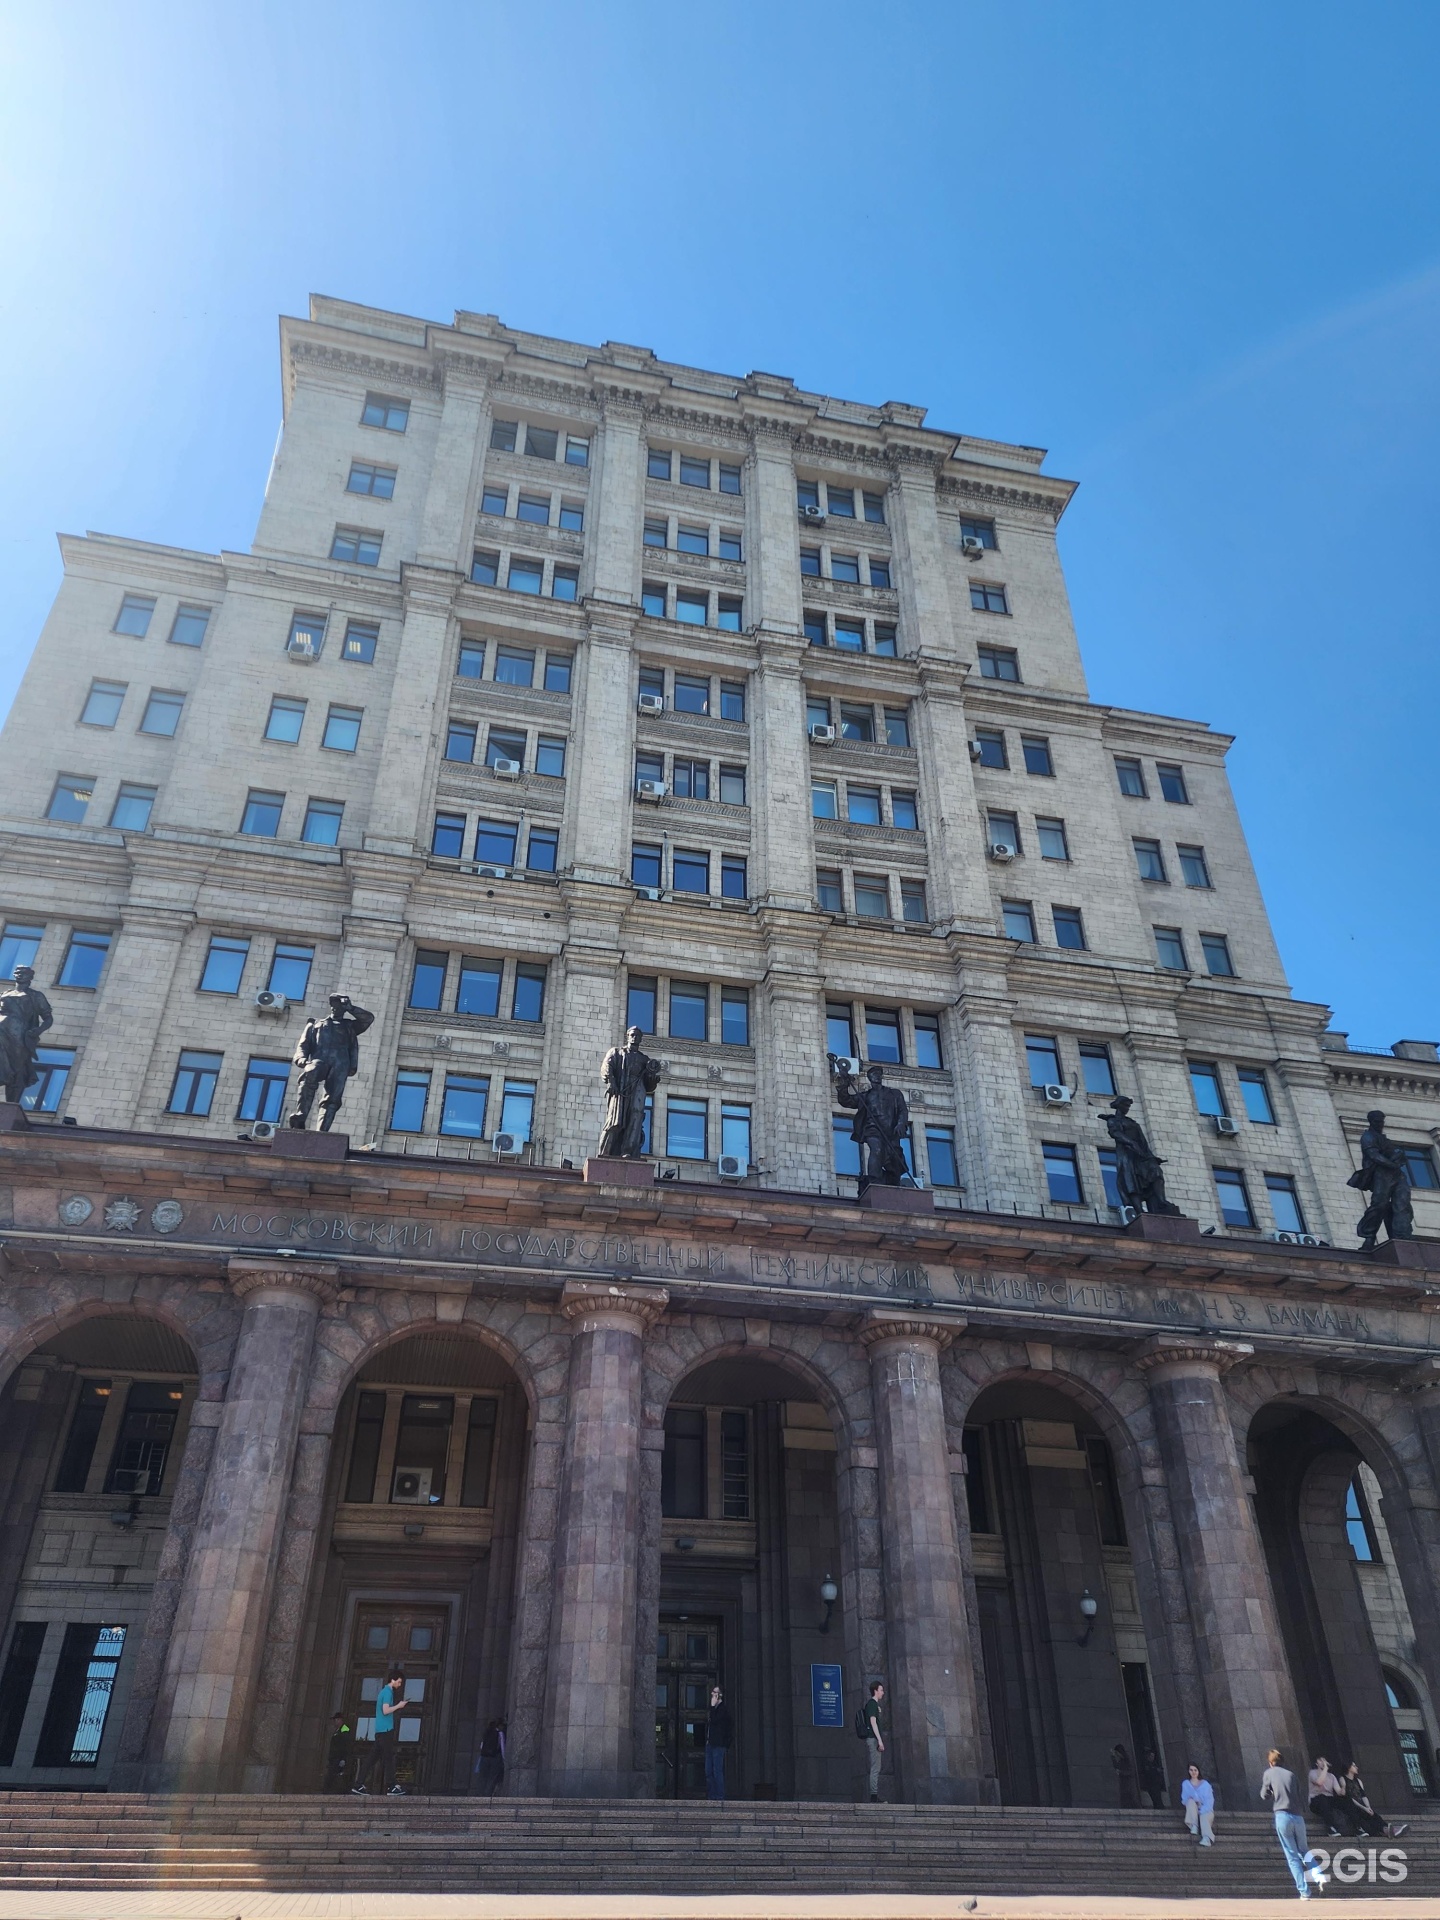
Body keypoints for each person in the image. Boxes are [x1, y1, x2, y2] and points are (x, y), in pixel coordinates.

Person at [288, 993, 374, 1132]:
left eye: (339, 1006)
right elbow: (303, 1045)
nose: (335, 1008)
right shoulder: (315, 1024)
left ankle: (322, 1131)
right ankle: (301, 1115)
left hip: (341, 1063)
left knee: (333, 1098)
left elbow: (368, 1019)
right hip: (319, 1059)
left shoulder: (350, 1026)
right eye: (334, 1005)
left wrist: (351, 1008)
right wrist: (301, 1059)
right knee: (309, 1075)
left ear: (344, 1009)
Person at [833, 1062, 911, 1191]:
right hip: (873, 1129)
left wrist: (901, 1124)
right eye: (874, 1074)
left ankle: (892, 1181)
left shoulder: (894, 1094)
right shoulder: (866, 1096)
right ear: (870, 1078)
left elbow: (903, 1110)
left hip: (891, 1131)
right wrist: (844, 1082)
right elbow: (846, 1101)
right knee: (877, 1150)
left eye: (879, 1074)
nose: (877, 1076)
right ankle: (874, 1180)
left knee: (894, 1159)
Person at [1349, 1111, 1415, 1248]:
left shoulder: (1384, 1139)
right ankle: (1369, 1237)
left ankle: (1402, 1236)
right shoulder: (1367, 1137)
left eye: (1382, 1121)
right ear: (1371, 1121)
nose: (1380, 1124)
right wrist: (1392, 1164)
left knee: (1402, 1203)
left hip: (1397, 1175)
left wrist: (1398, 1156)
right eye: (1377, 1121)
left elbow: (1392, 1154)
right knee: (1379, 1206)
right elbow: (1374, 1156)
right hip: (1380, 1174)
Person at [597, 1026, 662, 1158]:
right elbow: (607, 1066)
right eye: (632, 1035)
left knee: (635, 1120)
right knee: (614, 1121)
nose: (634, 1038)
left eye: (637, 1036)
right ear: (627, 1036)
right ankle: (605, 1152)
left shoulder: (644, 1060)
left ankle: (627, 1151)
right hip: (620, 1090)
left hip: (637, 1091)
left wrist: (653, 1080)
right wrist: (611, 1081)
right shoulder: (616, 1052)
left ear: (641, 1039)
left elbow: (648, 1085)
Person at [1261, 1747, 1317, 1899]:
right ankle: (1318, 1875)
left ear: (1270, 1762)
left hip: (1282, 1816)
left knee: (1292, 1856)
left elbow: (1264, 1795)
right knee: (1304, 1850)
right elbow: (1299, 1794)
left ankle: (1304, 1891)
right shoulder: (1291, 1774)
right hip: (1298, 1817)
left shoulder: (1269, 1773)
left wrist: (1271, 1792)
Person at [0, 965, 53, 1105]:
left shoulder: (36, 996)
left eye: (24, 973)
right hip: (1, 1034)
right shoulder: (4, 994)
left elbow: (48, 1019)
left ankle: (11, 1106)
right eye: (17, 972)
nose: (20, 974)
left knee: (17, 1070)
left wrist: (38, 1030)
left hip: (19, 1037)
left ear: (30, 977)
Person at [355, 1667, 407, 1795]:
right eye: (399, 1682)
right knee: (388, 1759)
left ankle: (358, 1784)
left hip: (380, 1731)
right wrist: (399, 1706)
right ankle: (392, 1786)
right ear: (393, 1680)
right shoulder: (388, 1692)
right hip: (385, 1730)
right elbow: (385, 1710)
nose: (400, 1685)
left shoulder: (384, 1692)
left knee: (371, 1759)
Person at [1340, 1760, 1407, 1839]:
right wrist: (1364, 1808)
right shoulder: (1342, 1779)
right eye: (1354, 1766)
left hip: (1362, 1805)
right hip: (1353, 1807)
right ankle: (1387, 1831)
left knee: (1374, 1816)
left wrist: (1368, 1807)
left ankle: (1388, 1830)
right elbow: (1349, 1798)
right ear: (1349, 1768)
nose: (1356, 1767)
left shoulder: (1358, 1781)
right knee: (1364, 1818)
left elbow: (1363, 1795)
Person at [1308, 1754, 1361, 1835]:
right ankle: (1330, 1827)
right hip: (1316, 1800)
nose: (1323, 1762)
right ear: (1316, 1763)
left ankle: (1357, 1827)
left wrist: (1343, 1786)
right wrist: (1325, 1768)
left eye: (1324, 1760)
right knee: (1322, 1799)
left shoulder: (1331, 1776)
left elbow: (1339, 1792)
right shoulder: (1312, 1773)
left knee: (1347, 1800)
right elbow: (1319, 1782)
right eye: (1320, 1760)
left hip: (1329, 1799)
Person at [704, 1686, 733, 1801]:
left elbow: (715, 1720)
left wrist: (712, 1706)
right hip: (710, 1744)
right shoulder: (714, 1710)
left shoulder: (722, 1709)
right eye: (712, 1692)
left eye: (715, 1692)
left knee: (717, 1771)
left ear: (720, 1695)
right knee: (708, 1771)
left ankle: (719, 1796)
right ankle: (711, 1796)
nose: (712, 1694)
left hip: (718, 1745)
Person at [861, 1682, 885, 1802]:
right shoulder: (872, 1704)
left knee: (876, 1767)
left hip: (873, 1738)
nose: (883, 1693)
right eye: (881, 1690)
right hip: (873, 1739)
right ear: (875, 1691)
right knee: (875, 1768)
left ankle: (874, 1795)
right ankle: (873, 1796)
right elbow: (873, 1722)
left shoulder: (873, 1704)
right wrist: (880, 1740)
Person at [1181, 1762, 1215, 1845]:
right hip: (1192, 1807)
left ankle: (1207, 1838)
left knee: (1204, 1816)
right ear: (1188, 1771)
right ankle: (1194, 1825)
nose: (1193, 1772)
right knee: (1190, 1801)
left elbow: (1209, 1801)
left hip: (1205, 1808)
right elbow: (1184, 1799)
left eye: (1195, 1770)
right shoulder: (1186, 1784)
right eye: (1191, 1770)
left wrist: (1201, 1811)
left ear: (1198, 1771)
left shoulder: (1205, 1784)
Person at [473, 1718, 506, 1797]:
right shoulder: (500, 1733)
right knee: (492, 1777)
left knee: (483, 1776)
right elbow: (502, 1747)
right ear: (500, 1725)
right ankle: (487, 1794)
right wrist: (504, 1759)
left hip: (484, 1757)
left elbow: (481, 1746)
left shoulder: (487, 1732)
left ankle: (480, 1793)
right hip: (495, 1757)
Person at [324, 1712, 354, 1792]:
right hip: (334, 1759)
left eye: (336, 1720)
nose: (335, 1722)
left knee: (332, 1779)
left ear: (340, 1720)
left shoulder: (344, 1730)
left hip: (338, 1759)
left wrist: (343, 1759)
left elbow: (346, 1745)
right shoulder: (337, 1730)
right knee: (331, 1778)